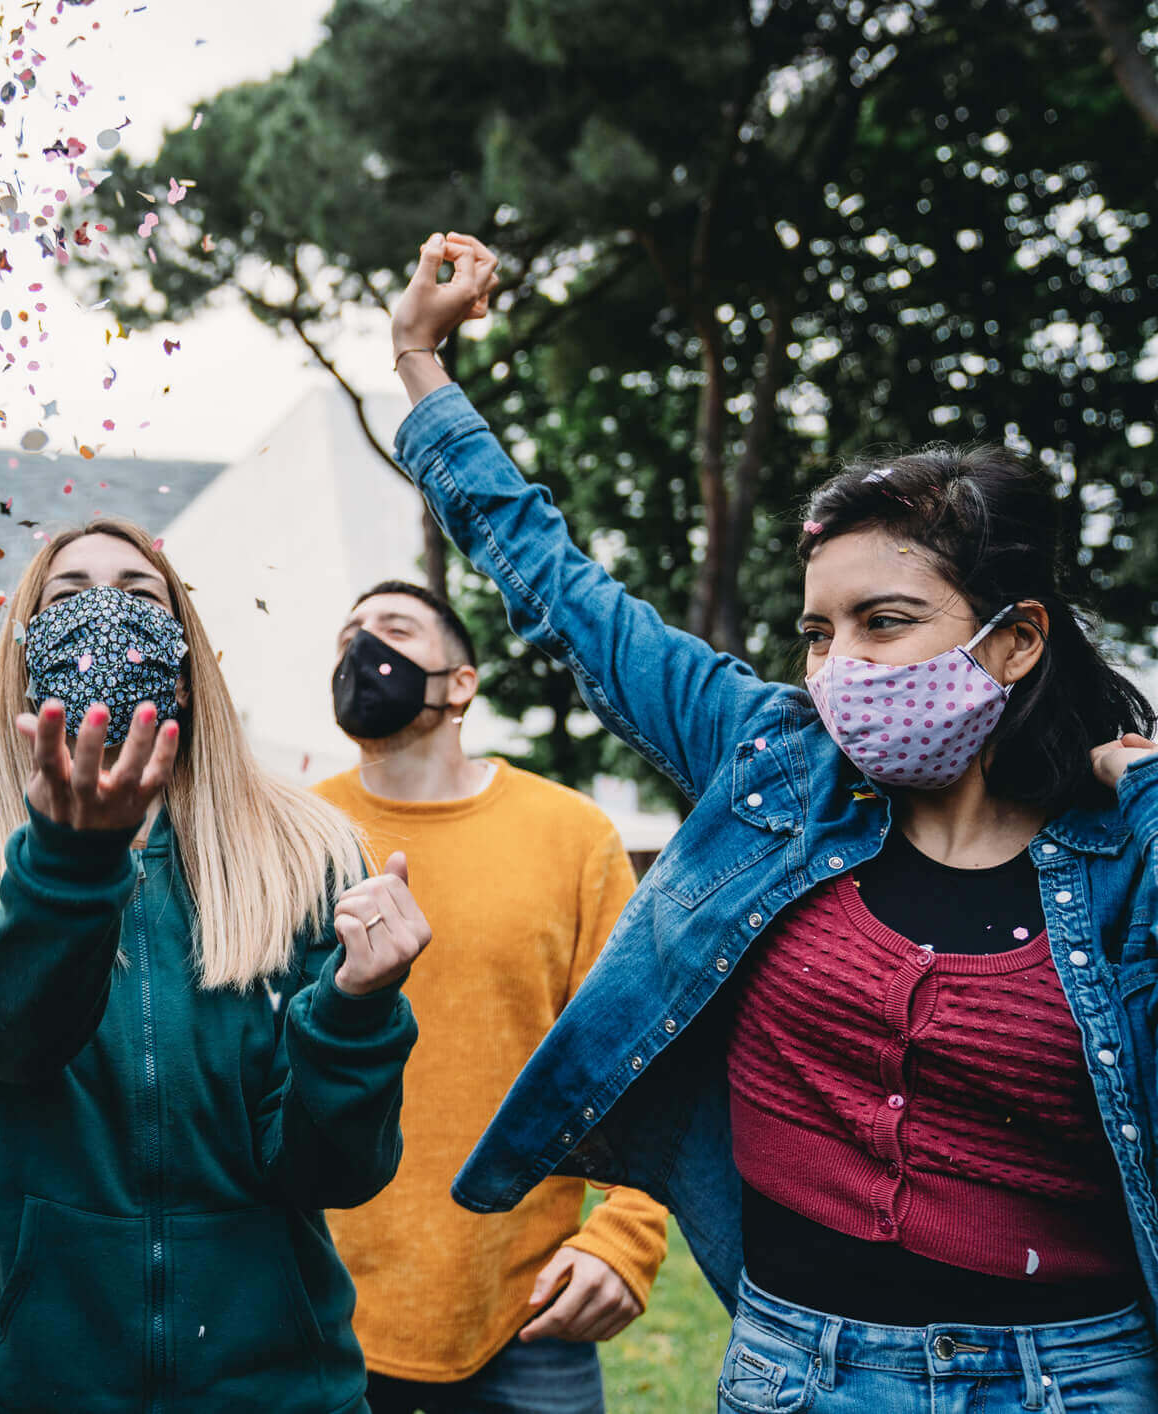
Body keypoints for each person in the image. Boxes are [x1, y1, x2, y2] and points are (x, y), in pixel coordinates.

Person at [387, 232, 1158, 1409]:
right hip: (800, 1369)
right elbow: (562, 590)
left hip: (1077, 1378)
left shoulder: (1126, 851)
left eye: (883, 621)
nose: (838, 665)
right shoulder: (772, 761)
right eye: (815, 630)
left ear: (1012, 640)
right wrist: (418, 367)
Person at [0, 518, 431, 1414]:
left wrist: (355, 1011)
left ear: (182, 657)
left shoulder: (306, 857)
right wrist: (69, 864)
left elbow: (331, 1175)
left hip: (283, 1391)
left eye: (139, 596)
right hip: (45, 1389)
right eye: (69, 597)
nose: (105, 611)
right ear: (25, 658)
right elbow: (13, 1042)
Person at [318, 580, 667, 1414]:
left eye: (394, 630)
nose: (363, 651)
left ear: (461, 682)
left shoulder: (572, 835)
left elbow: (647, 1060)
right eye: (348, 637)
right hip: (316, 1312)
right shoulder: (296, 835)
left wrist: (627, 1237)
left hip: (527, 1313)